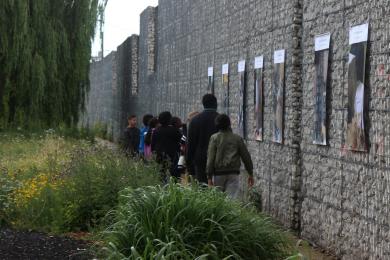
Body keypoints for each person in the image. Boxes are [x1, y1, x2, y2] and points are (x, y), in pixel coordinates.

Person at [206, 114, 254, 199]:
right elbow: (246, 156)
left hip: (218, 174)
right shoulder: (237, 138)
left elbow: (210, 158)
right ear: (229, 124)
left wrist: (209, 176)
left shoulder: (214, 138)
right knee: (231, 200)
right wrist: (250, 173)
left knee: (217, 200)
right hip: (233, 172)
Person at [187, 94, 219, 184]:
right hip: (218, 159)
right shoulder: (221, 119)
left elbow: (191, 144)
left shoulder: (195, 121)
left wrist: (189, 164)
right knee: (219, 189)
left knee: (202, 187)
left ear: (203, 104)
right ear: (216, 104)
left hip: (200, 160)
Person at [152, 111, 182, 181]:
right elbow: (182, 140)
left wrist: (153, 153)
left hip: (159, 155)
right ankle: (175, 188)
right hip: (171, 156)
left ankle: (161, 188)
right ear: (169, 119)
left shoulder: (156, 130)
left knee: (161, 174)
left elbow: (153, 144)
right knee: (174, 174)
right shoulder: (174, 130)